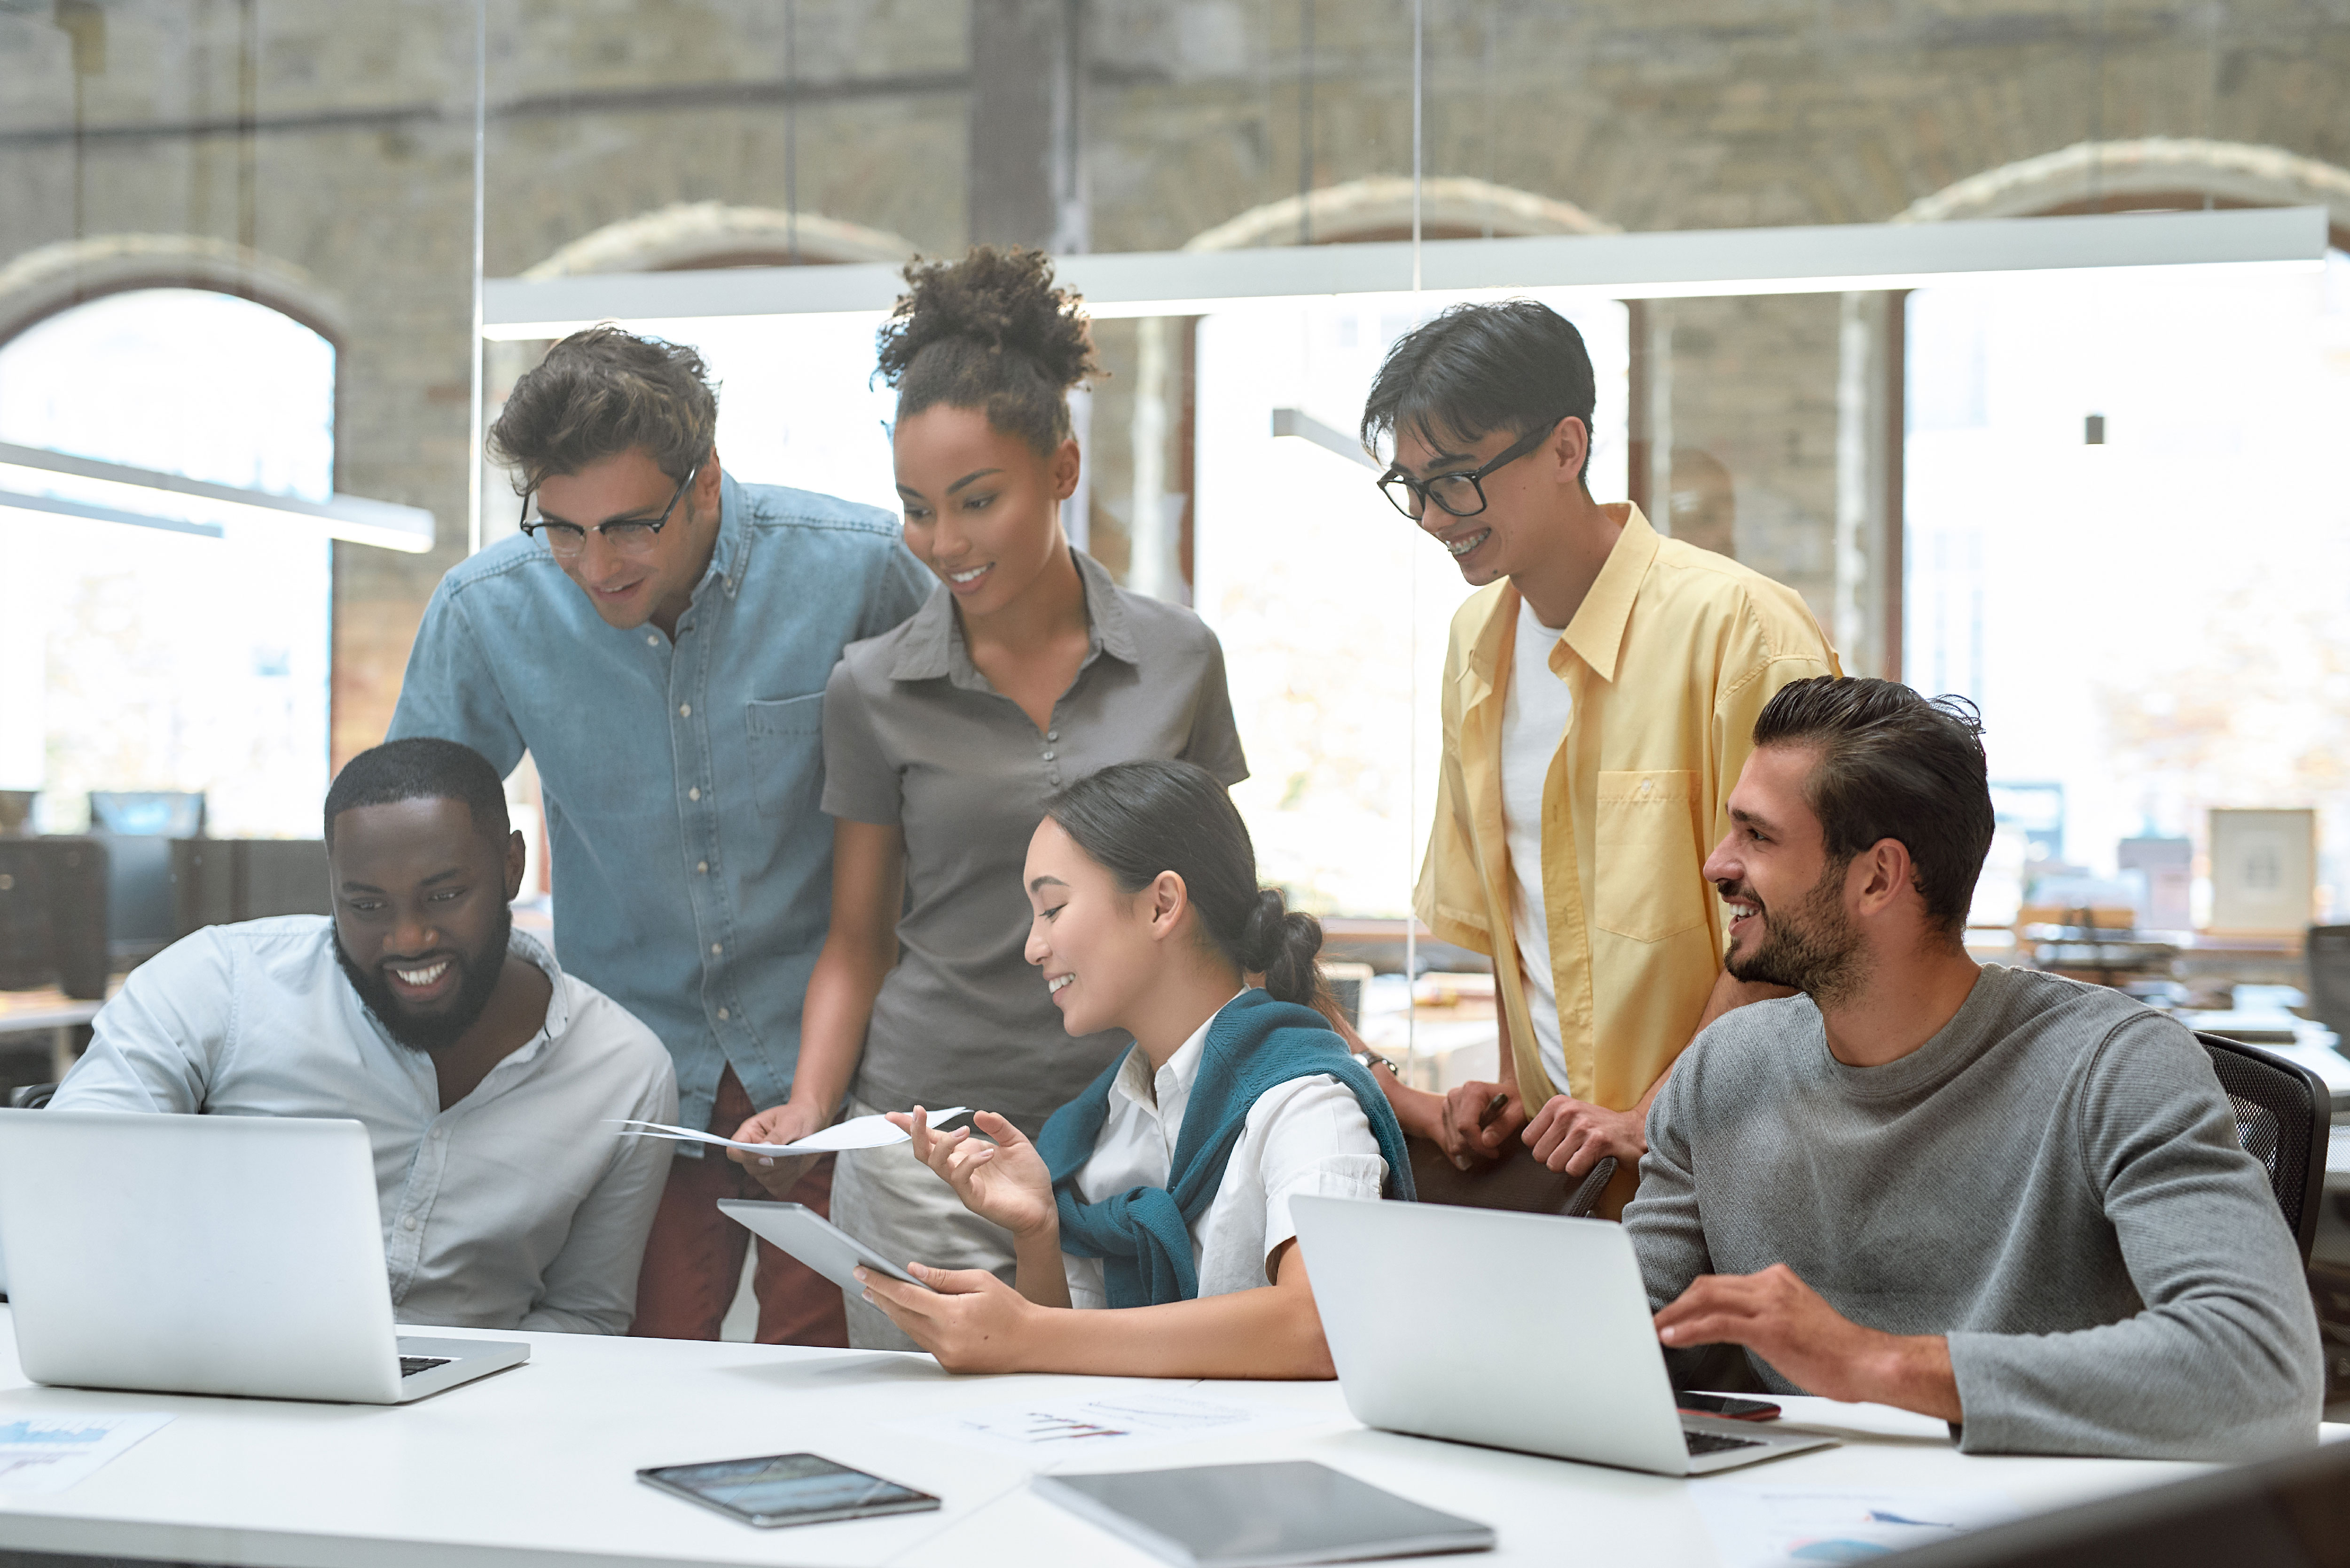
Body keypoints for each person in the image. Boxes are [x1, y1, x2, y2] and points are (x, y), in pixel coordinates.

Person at [727, 249, 1247, 1350]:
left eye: (978, 501)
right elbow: (859, 938)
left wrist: (1341, 1063)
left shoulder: (1179, 659)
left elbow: (1223, 912)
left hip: (1136, 1143)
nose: (945, 543)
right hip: (929, 1150)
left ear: (1062, 469)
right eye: (917, 509)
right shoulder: (871, 687)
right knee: (920, 1442)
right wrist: (812, 1105)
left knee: (1129, 1432)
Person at [387, 327, 931, 1347]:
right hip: (637, 1071)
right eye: (563, 528)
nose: (596, 565)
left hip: (845, 1056)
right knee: (646, 1365)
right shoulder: (489, 610)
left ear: (705, 481)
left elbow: (955, 791)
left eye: (630, 526)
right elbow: (404, 838)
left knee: (831, 1369)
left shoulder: (861, 572)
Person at [1628, 677, 2326, 1459]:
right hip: (1784, 1507)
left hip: (2044, 1517)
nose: (1717, 864)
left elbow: (2263, 1371)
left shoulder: (2118, 1066)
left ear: (1878, 877)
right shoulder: (1721, 1069)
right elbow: (1618, 1328)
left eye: (1758, 836)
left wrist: (1877, 1364)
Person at [1355, 300, 1839, 1207]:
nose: (1432, 517)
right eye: (1411, 486)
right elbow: (1511, 910)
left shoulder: (1742, 631)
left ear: (1566, 448)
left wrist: (1656, 1115)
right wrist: (1512, 1087)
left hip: (1734, 1168)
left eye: (1455, 479)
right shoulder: (1475, 642)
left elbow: (1795, 925)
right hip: (1571, 1172)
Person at [51, 738, 677, 1334]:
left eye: (445, 895)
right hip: (219, 1369)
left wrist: (485, 1397)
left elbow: (584, 1314)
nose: (409, 939)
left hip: (477, 1401)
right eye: (367, 906)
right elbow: (65, 1182)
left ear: (512, 866)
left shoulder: (623, 1071)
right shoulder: (219, 985)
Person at [851, 760, 1410, 1375]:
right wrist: (1038, 1232)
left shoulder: (1303, 1102)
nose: (1033, 947)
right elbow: (1064, 1366)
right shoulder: (1097, 1130)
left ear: (1161, 905)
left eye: (1052, 908)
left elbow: (1321, 1323)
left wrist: (1027, 1333)